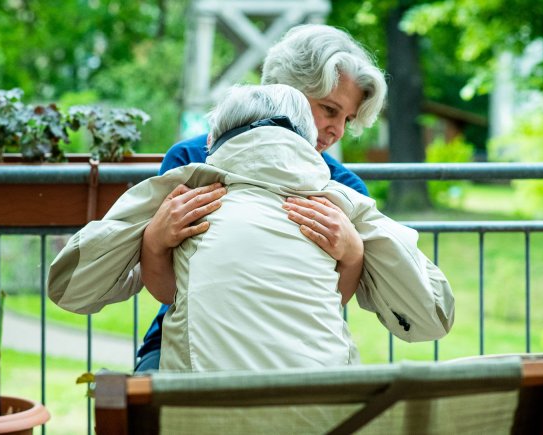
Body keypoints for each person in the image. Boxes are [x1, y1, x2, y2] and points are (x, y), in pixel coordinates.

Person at [46, 84, 454, 371]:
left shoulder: (187, 187)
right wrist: (355, 254)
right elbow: (433, 314)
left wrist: (152, 241)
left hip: (203, 413)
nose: (339, 129)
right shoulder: (341, 201)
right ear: (305, 136)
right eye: (330, 111)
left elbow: (73, 286)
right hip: (321, 412)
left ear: (217, 136)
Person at [135, 24, 389, 371]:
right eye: (329, 109)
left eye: (348, 118)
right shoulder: (191, 162)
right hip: (188, 338)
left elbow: (330, 300)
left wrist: (354, 254)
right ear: (284, 89)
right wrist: (153, 240)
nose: (338, 130)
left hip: (297, 348)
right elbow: (169, 288)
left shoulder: (345, 188)